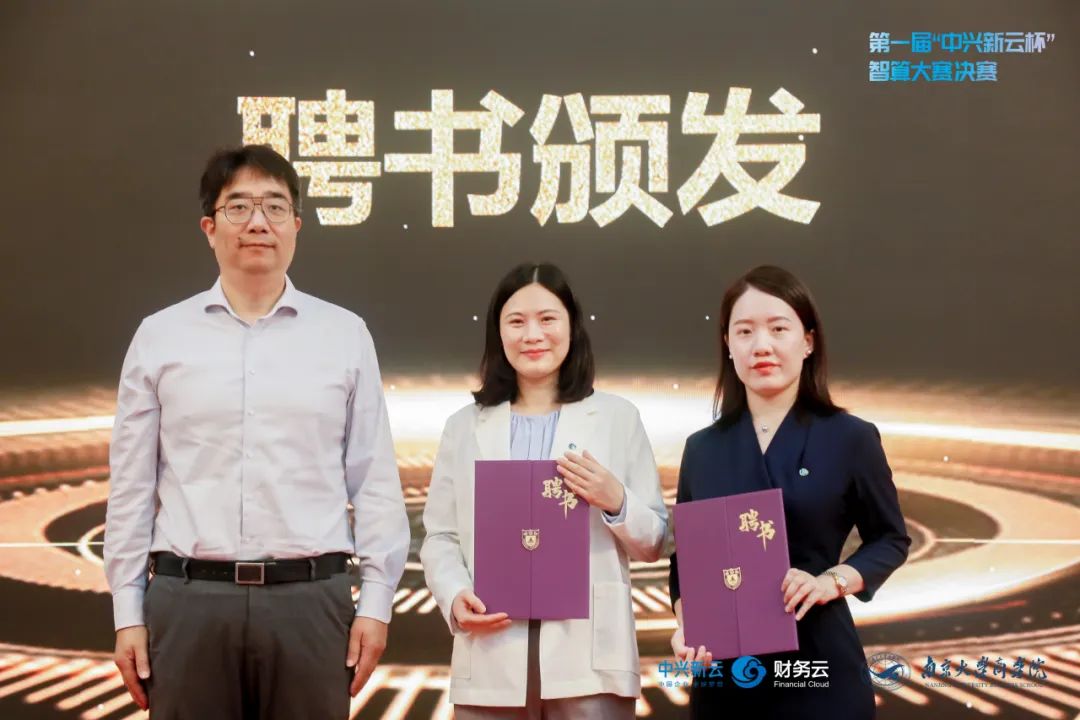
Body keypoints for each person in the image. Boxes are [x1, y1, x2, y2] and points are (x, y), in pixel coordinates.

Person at [104, 144, 410, 719]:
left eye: (274, 206)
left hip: (310, 604)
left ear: (296, 225)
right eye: (238, 207)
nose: (257, 223)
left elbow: (373, 479)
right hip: (188, 601)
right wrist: (127, 610)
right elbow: (131, 486)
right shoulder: (160, 336)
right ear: (209, 227)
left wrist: (376, 601)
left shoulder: (344, 335)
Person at [421, 262, 668, 718]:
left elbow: (655, 541)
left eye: (548, 319)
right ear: (498, 333)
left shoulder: (617, 418)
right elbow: (440, 535)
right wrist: (455, 595)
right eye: (516, 321)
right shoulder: (464, 427)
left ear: (572, 326)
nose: (532, 334)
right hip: (491, 648)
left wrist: (615, 499)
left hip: (590, 657)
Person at [668, 265, 910, 719]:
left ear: (808, 341)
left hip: (818, 669)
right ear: (728, 344)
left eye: (778, 328)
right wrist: (688, 627)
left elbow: (890, 539)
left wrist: (829, 582)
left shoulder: (851, 437)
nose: (761, 345)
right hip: (727, 680)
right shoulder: (702, 449)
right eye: (745, 331)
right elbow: (686, 564)